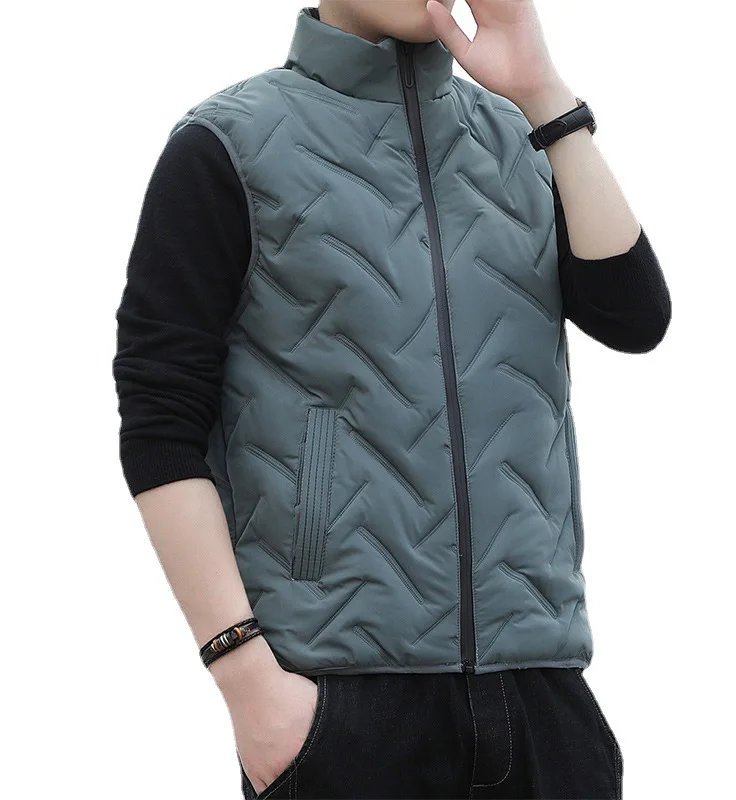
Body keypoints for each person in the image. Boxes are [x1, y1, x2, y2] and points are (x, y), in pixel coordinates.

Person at [112, 2, 671, 798]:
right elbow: (160, 424)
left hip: (542, 694)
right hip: (343, 706)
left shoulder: (524, 139)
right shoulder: (227, 146)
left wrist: (543, 94)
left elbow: (635, 318)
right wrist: (247, 680)